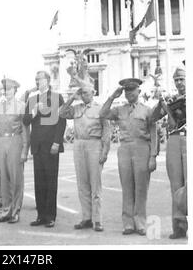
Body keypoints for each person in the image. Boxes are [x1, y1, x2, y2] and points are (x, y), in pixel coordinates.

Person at [99, 78, 158, 235]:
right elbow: (102, 113)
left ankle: (140, 222)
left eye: (132, 90)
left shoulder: (147, 110)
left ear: (139, 91)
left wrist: (153, 156)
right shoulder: (119, 110)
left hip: (142, 148)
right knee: (127, 187)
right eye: (126, 90)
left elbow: (154, 133)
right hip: (124, 149)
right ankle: (128, 223)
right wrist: (112, 97)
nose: (129, 93)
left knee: (141, 188)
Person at [60, 84, 110, 231]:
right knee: (82, 184)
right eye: (82, 93)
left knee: (95, 184)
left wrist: (105, 151)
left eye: (86, 93)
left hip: (94, 144)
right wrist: (71, 98)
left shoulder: (100, 108)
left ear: (93, 93)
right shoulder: (76, 108)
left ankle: (98, 220)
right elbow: (61, 113)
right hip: (79, 144)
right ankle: (86, 218)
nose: (84, 95)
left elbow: (106, 130)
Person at [0, 78, 30, 224]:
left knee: (16, 178)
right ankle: (6, 210)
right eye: (5, 89)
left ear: (15, 90)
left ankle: (15, 211)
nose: (6, 92)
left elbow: (25, 129)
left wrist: (24, 150)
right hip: (1, 141)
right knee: (4, 178)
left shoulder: (21, 106)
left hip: (15, 140)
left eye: (9, 89)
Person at [23, 71, 66, 228]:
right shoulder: (32, 98)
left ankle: (50, 216)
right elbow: (25, 120)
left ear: (47, 81)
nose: (36, 82)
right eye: (35, 79)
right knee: (39, 182)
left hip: (51, 145)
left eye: (39, 79)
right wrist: (35, 111)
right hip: (37, 145)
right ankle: (40, 215)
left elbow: (61, 121)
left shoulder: (56, 97)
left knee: (51, 181)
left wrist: (57, 142)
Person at [151, 67, 187, 239]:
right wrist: (161, 103)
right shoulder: (172, 100)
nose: (179, 82)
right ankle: (179, 226)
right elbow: (153, 117)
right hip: (173, 140)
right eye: (176, 80)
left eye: (182, 79)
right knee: (176, 184)